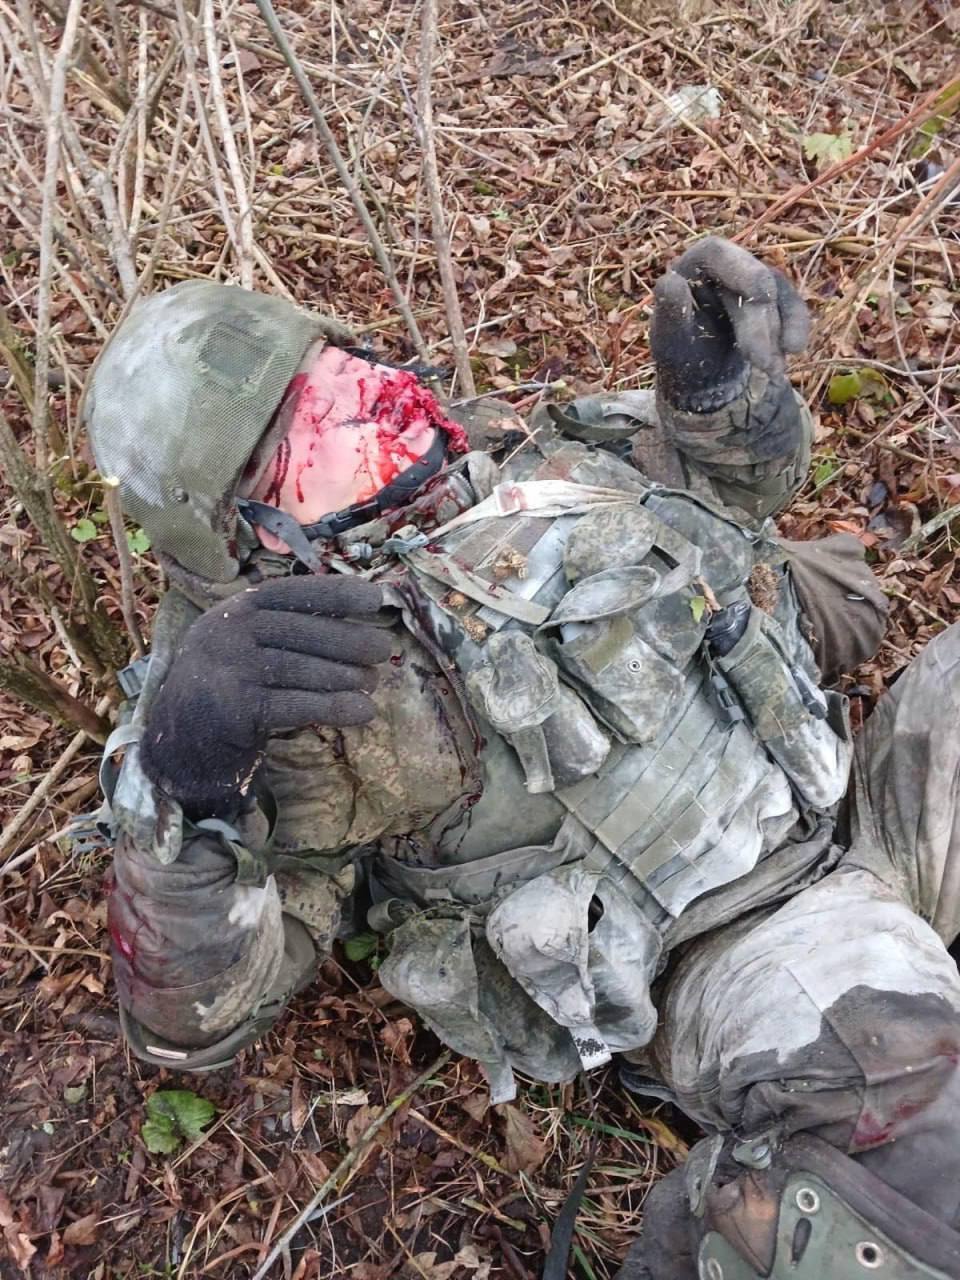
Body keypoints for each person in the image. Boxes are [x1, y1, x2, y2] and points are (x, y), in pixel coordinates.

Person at [83, 238, 960, 1279]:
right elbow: (190, 1028)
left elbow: (751, 491)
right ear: (247, 528)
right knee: (908, 1159)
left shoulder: (515, 451)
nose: (371, 393)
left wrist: (718, 392)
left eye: (338, 362)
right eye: (305, 424)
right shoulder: (281, 689)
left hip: (857, 795)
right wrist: (185, 782)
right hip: (747, 945)